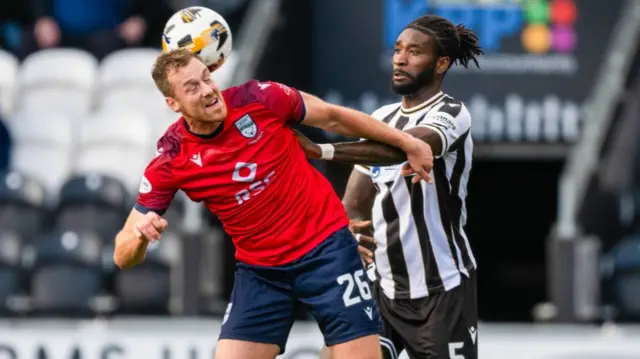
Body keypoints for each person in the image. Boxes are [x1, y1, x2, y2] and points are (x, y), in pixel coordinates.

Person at [112, 49, 435, 359]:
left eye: (207, 77)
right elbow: (123, 256)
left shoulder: (259, 97)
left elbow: (334, 117)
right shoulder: (171, 158)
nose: (209, 90)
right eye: (192, 87)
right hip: (261, 272)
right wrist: (140, 236)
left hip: (327, 253)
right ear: (173, 103)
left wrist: (408, 142)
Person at [302, 15, 483, 359]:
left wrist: (321, 150)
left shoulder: (453, 113)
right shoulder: (382, 118)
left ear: (441, 64)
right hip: (382, 289)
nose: (400, 59)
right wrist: (350, 236)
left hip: (441, 290)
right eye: (398, 49)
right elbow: (355, 202)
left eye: (415, 52)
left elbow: (401, 148)